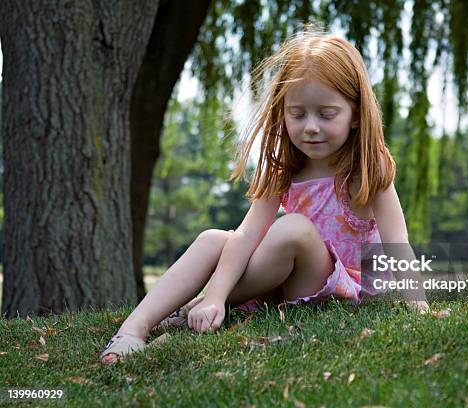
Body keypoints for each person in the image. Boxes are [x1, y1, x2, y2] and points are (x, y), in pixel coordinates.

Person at [100, 26, 429, 364]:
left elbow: (396, 241)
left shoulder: (368, 168)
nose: (310, 126)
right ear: (282, 111)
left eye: (326, 114)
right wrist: (215, 292)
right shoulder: (284, 167)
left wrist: (418, 306)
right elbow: (246, 235)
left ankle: (187, 311)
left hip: (345, 290)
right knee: (215, 239)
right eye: (297, 114)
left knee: (295, 227)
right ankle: (133, 329)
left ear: (356, 114)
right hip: (285, 282)